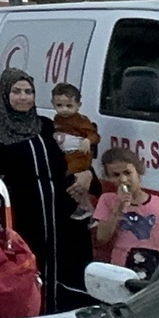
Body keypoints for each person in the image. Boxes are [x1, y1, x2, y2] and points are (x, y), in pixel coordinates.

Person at [0, 68, 83, 310]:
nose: (23, 97)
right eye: (16, 91)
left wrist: (86, 175)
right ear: (5, 94)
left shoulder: (45, 126)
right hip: (23, 214)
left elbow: (70, 158)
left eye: (29, 92)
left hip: (58, 213)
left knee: (62, 269)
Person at [92, 146, 159, 275]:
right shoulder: (107, 200)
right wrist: (118, 207)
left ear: (138, 172)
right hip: (123, 268)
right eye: (116, 175)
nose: (123, 179)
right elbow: (102, 238)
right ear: (109, 178)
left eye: (127, 173)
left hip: (155, 267)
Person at [51, 82, 102, 218]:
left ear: (78, 105)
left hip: (79, 156)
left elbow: (94, 135)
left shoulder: (81, 121)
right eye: (59, 106)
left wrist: (87, 141)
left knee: (71, 175)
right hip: (68, 155)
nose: (64, 110)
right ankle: (82, 206)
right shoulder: (57, 119)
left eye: (69, 106)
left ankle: (84, 207)